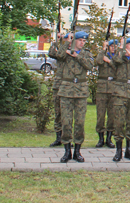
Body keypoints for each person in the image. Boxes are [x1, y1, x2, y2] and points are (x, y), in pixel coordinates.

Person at [56, 31, 94, 162]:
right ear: (74, 40)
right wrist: (66, 42)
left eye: (84, 41)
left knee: (79, 122)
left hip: (81, 91)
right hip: (66, 90)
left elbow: (90, 65)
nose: (82, 43)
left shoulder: (86, 54)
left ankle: (77, 151)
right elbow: (58, 56)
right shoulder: (65, 52)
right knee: (66, 122)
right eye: (79, 40)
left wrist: (77, 56)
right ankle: (67, 151)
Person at [47, 32, 71, 147]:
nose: (68, 41)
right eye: (66, 39)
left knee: (68, 114)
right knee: (58, 112)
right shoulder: (61, 49)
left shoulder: (73, 51)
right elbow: (52, 53)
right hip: (59, 84)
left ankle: (68, 137)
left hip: (69, 85)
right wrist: (56, 41)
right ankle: (58, 137)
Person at [94, 39, 118, 148]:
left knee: (112, 115)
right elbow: (98, 61)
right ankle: (100, 138)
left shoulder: (117, 57)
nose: (113, 48)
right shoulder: (103, 55)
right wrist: (103, 49)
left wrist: (109, 61)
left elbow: (118, 68)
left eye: (115, 46)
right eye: (111, 46)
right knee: (100, 115)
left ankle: (109, 138)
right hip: (102, 89)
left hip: (113, 88)